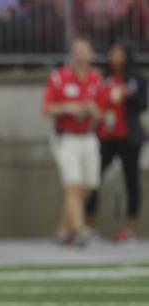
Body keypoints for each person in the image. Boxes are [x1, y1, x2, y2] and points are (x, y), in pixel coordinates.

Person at [43, 36, 101, 246]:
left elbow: (102, 113)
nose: (81, 54)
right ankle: (79, 229)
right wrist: (72, 107)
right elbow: (47, 108)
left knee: (87, 188)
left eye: (85, 50)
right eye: (77, 50)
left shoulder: (96, 79)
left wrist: (93, 111)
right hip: (66, 137)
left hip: (88, 136)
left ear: (92, 54)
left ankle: (62, 230)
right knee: (72, 186)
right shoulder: (59, 78)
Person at [87, 40, 146, 242]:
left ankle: (128, 228)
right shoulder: (103, 77)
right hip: (105, 136)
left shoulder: (136, 78)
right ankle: (91, 225)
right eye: (113, 53)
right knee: (93, 178)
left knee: (131, 181)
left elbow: (143, 103)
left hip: (129, 137)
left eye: (120, 53)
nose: (115, 57)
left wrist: (128, 94)